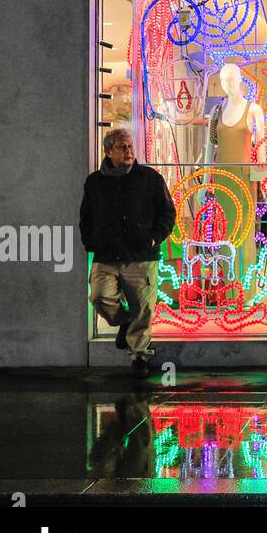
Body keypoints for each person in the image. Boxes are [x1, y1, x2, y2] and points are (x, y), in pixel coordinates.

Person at [80, 127, 176, 376]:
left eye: (130, 146)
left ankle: (140, 357)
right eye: (122, 147)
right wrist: (91, 241)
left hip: (141, 254)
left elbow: (168, 212)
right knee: (100, 296)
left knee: (143, 308)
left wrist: (154, 238)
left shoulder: (150, 178)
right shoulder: (95, 182)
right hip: (106, 254)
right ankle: (123, 322)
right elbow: (86, 216)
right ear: (108, 151)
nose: (128, 151)